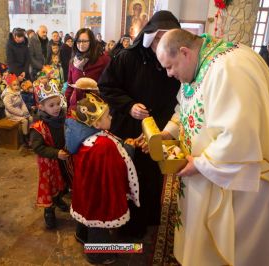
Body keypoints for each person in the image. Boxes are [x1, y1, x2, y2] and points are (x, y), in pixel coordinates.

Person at [155, 28, 269, 266]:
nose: (168, 74)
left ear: (185, 52)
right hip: (217, 171)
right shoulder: (200, 63)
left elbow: (241, 136)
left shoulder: (228, 68)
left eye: (170, 66)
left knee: (244, 246)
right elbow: (186, 105)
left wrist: (199, 163)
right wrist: (168, 132)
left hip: (251, 179)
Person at [98, 10, 181, 238]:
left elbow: (178, 97)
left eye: (166, 40)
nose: (160, 45)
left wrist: (165, 129)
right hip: (129, 129)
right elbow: (106, 87)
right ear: (149, 37)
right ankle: (129, 228)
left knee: (153, 174)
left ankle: (152, 216)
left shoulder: (175, 61)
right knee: (130, 177)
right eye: (156, 40)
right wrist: (129, 106)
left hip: (159, 130)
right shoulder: (128, 57)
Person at [65, 92, 139, 265]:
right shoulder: (103, 145)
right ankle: (97, 254)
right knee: (98, 222)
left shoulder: (83, 135)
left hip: (86, 188)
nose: (111, 116)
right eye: (107, 115)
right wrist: (129, 148)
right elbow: (117, 165)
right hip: (100, 193)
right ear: (96, 123)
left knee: (85, 214)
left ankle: (82, 236)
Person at [30, 81, 71, 229]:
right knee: (50, 187)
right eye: (51, 105)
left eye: (58, 103)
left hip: (64, 159)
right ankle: (49, 211)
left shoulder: (64, 119)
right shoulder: (38, 127)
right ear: (41, 107)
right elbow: (37, 147)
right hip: (49, 165)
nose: (56, 108)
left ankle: (59, 199)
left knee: (64, 183)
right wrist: (55, 153)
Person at [65, 28, 110, 112]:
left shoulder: (103, 59)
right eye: (78, 41)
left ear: (91, 42)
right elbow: (70, 85)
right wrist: (65, 104)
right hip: (77, 106)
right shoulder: (73, 61)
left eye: (85, 41)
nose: (81, 44)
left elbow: (110, 83)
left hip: (97, 107)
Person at [2, 73, 32, 148]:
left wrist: (26, 112)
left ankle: (29, 135)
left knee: (30, 118)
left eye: (17, 85)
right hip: (11, 113)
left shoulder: (18, 92)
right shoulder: (8, 95)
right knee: (25, 121)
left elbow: (22, 103)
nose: (16, 86)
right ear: (9, 85)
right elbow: (9, 108)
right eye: (14, 85)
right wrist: (21, 113)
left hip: (19, 111)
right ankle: (25, 139)